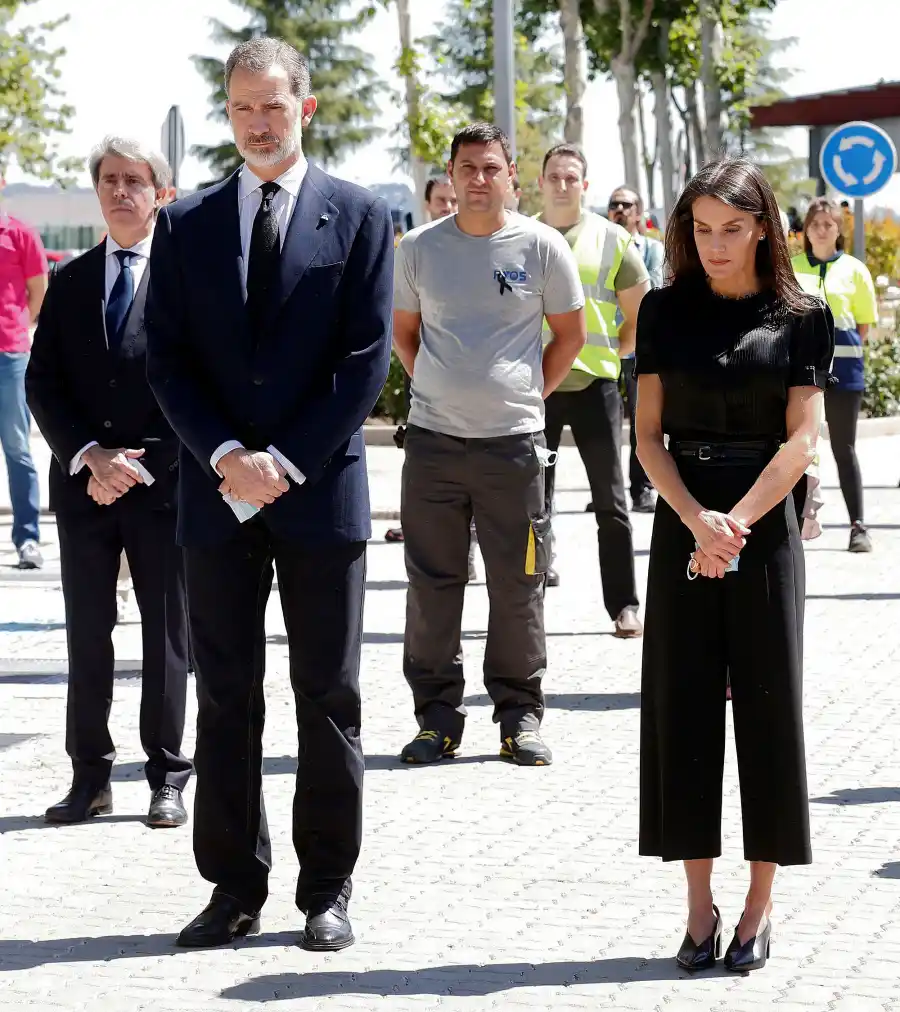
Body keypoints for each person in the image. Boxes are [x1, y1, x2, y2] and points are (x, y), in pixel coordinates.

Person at [145, 38, 393, 950]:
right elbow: (166, 360)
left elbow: (365, 363)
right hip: (215, 502)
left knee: (327, 695)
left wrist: (281, 461)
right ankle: (231, 887)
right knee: (226, 697)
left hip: (319, 495)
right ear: (229, 110)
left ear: (306, 108)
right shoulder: (185, 223)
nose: (257, 122)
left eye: (273, 107)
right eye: (243, 107)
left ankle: (326, 888)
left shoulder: (362, 218)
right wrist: (222, 456)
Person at [635, 159, 833, 974]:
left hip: (763, 524)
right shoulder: (661, 310)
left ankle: (757, 908)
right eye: (700, 229)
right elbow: (647, 435)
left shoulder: (800, 315)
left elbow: (803, 439)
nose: (714, 246)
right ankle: (697, 907)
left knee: (767, 710)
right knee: (681, 712)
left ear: (761, 227)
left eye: (731, 228)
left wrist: (735, 527)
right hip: (684, 513)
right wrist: (694, 524)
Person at [393, 122, 585, 767]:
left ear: (511, 176)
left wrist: (524, 394)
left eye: (491, 168)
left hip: (514, 450)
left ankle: (519, 716)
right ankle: (437, 719)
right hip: (433, 448)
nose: (478, 179)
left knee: (518, 585)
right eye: (467, 168)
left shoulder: (541, 246)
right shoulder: (419, 248)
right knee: (432, 585)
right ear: (450, 175)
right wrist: (438, 389)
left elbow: (570, 338)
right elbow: (404, 331)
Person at [26, 137, 191, 828]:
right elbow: (43, 384)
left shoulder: (187, 281)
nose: (122, 192)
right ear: (97, 192)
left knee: (166, 633)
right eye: (110, 181)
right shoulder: (69, 282)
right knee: (88, 634)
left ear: (161, 193)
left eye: (136, 181)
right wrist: (90, 456)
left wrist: (137, 465)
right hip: (85, 488)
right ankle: (89, 777)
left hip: (163, 487)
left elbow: (195, 387)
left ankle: (166, 776)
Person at [535, 145, 649, 637]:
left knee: (612, 503)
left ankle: (624, 606)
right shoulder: (519, 234)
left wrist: (610, 356)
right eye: (555, 176)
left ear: (585, 184)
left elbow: (639, 317)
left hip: (595, 387)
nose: (563, 184)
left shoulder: (612, 239)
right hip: (533, 389)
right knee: (530, 504)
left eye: (572, 177)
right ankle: (527, 602)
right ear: (539, 182)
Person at [792, 198, 877, 552]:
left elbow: (863, 326)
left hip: (845, 371)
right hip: (798, 371)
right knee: (794, 447)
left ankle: (858, 526)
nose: (821, 229)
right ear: (806, 229)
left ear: (839, 229)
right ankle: (792, 524)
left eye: (828, 223)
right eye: (815, 223)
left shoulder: (855, 270)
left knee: (844, 448)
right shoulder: (790, 267)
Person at [608, 185, 665, 514]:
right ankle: (610, 489)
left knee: (642, 423)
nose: (620, 209)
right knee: (606, 425)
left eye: (627, 205)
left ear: (639, 212)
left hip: (640, 350)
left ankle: (641, 489)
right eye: (614, 204)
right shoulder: (599, 247)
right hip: (604, 348)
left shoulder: (652, 251)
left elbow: (655, 293)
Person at [0, 201, 47, 569]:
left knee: (17, 447)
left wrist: (15, 327)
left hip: (10, 355)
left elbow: (38, 292)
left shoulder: (20, 233)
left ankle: (27, 538)